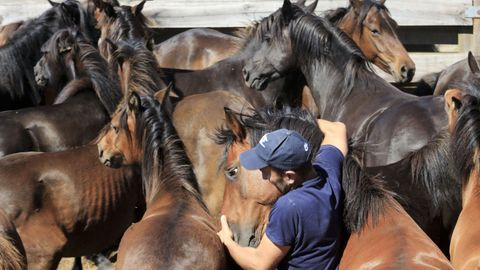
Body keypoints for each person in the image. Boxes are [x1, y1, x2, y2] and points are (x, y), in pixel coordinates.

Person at [217, 119, 348, 270]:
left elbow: (259, 264)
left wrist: (227, 241)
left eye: (266, 171)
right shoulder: (328, 170)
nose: (264, 176)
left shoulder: (289, 207)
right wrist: (292, 118)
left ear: (289, 177)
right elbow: (338, 129)